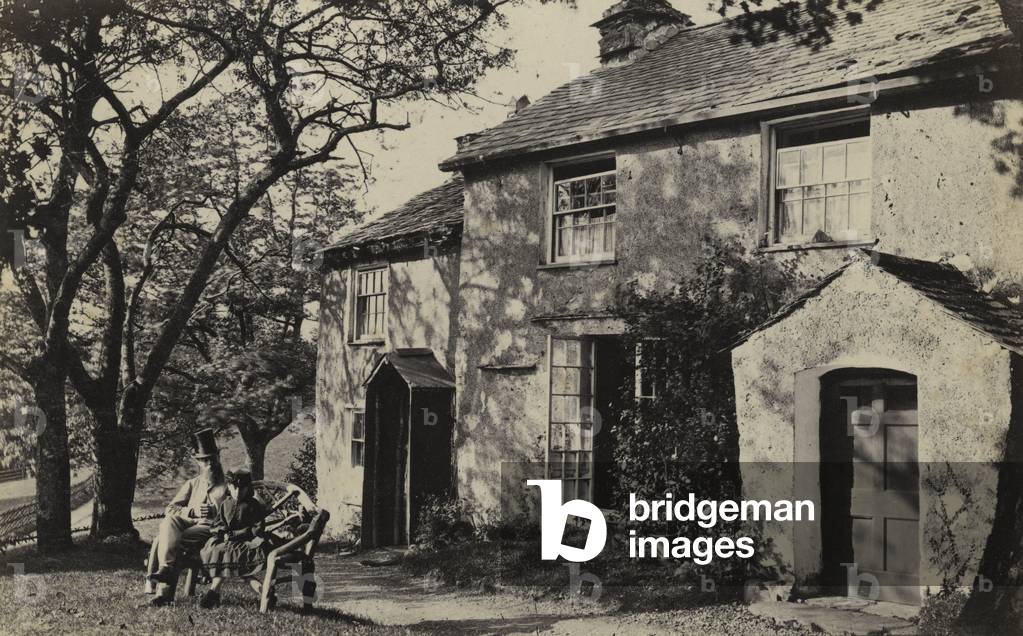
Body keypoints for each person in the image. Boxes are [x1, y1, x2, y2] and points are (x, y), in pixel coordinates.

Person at [147, 428, 228, 607]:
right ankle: (166, 569)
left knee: (167, 540)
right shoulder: (192, 484)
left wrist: (217, 513)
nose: (210, 464)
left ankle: (163, 594)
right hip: (191, 524)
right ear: (199, 463)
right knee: (169, 522)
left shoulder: (228, 485)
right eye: (205, 461)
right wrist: (192, 511)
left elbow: (238, 510)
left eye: (212, 459)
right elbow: (171, 508)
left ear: (218, 459)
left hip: (213, 529)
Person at [198, 469, 274, 609]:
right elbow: (218, 523)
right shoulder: (226, 503)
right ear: (229, 486)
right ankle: (262, 591)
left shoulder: (253, 505)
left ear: (248, 488)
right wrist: (221, 532)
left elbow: (256, 529)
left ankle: (213, 592)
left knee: (230, 555)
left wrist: (235, 535)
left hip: (248, 542)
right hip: (229, 542)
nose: (238, 491)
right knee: (218, 550)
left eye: (242, 488)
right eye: (234, 487)